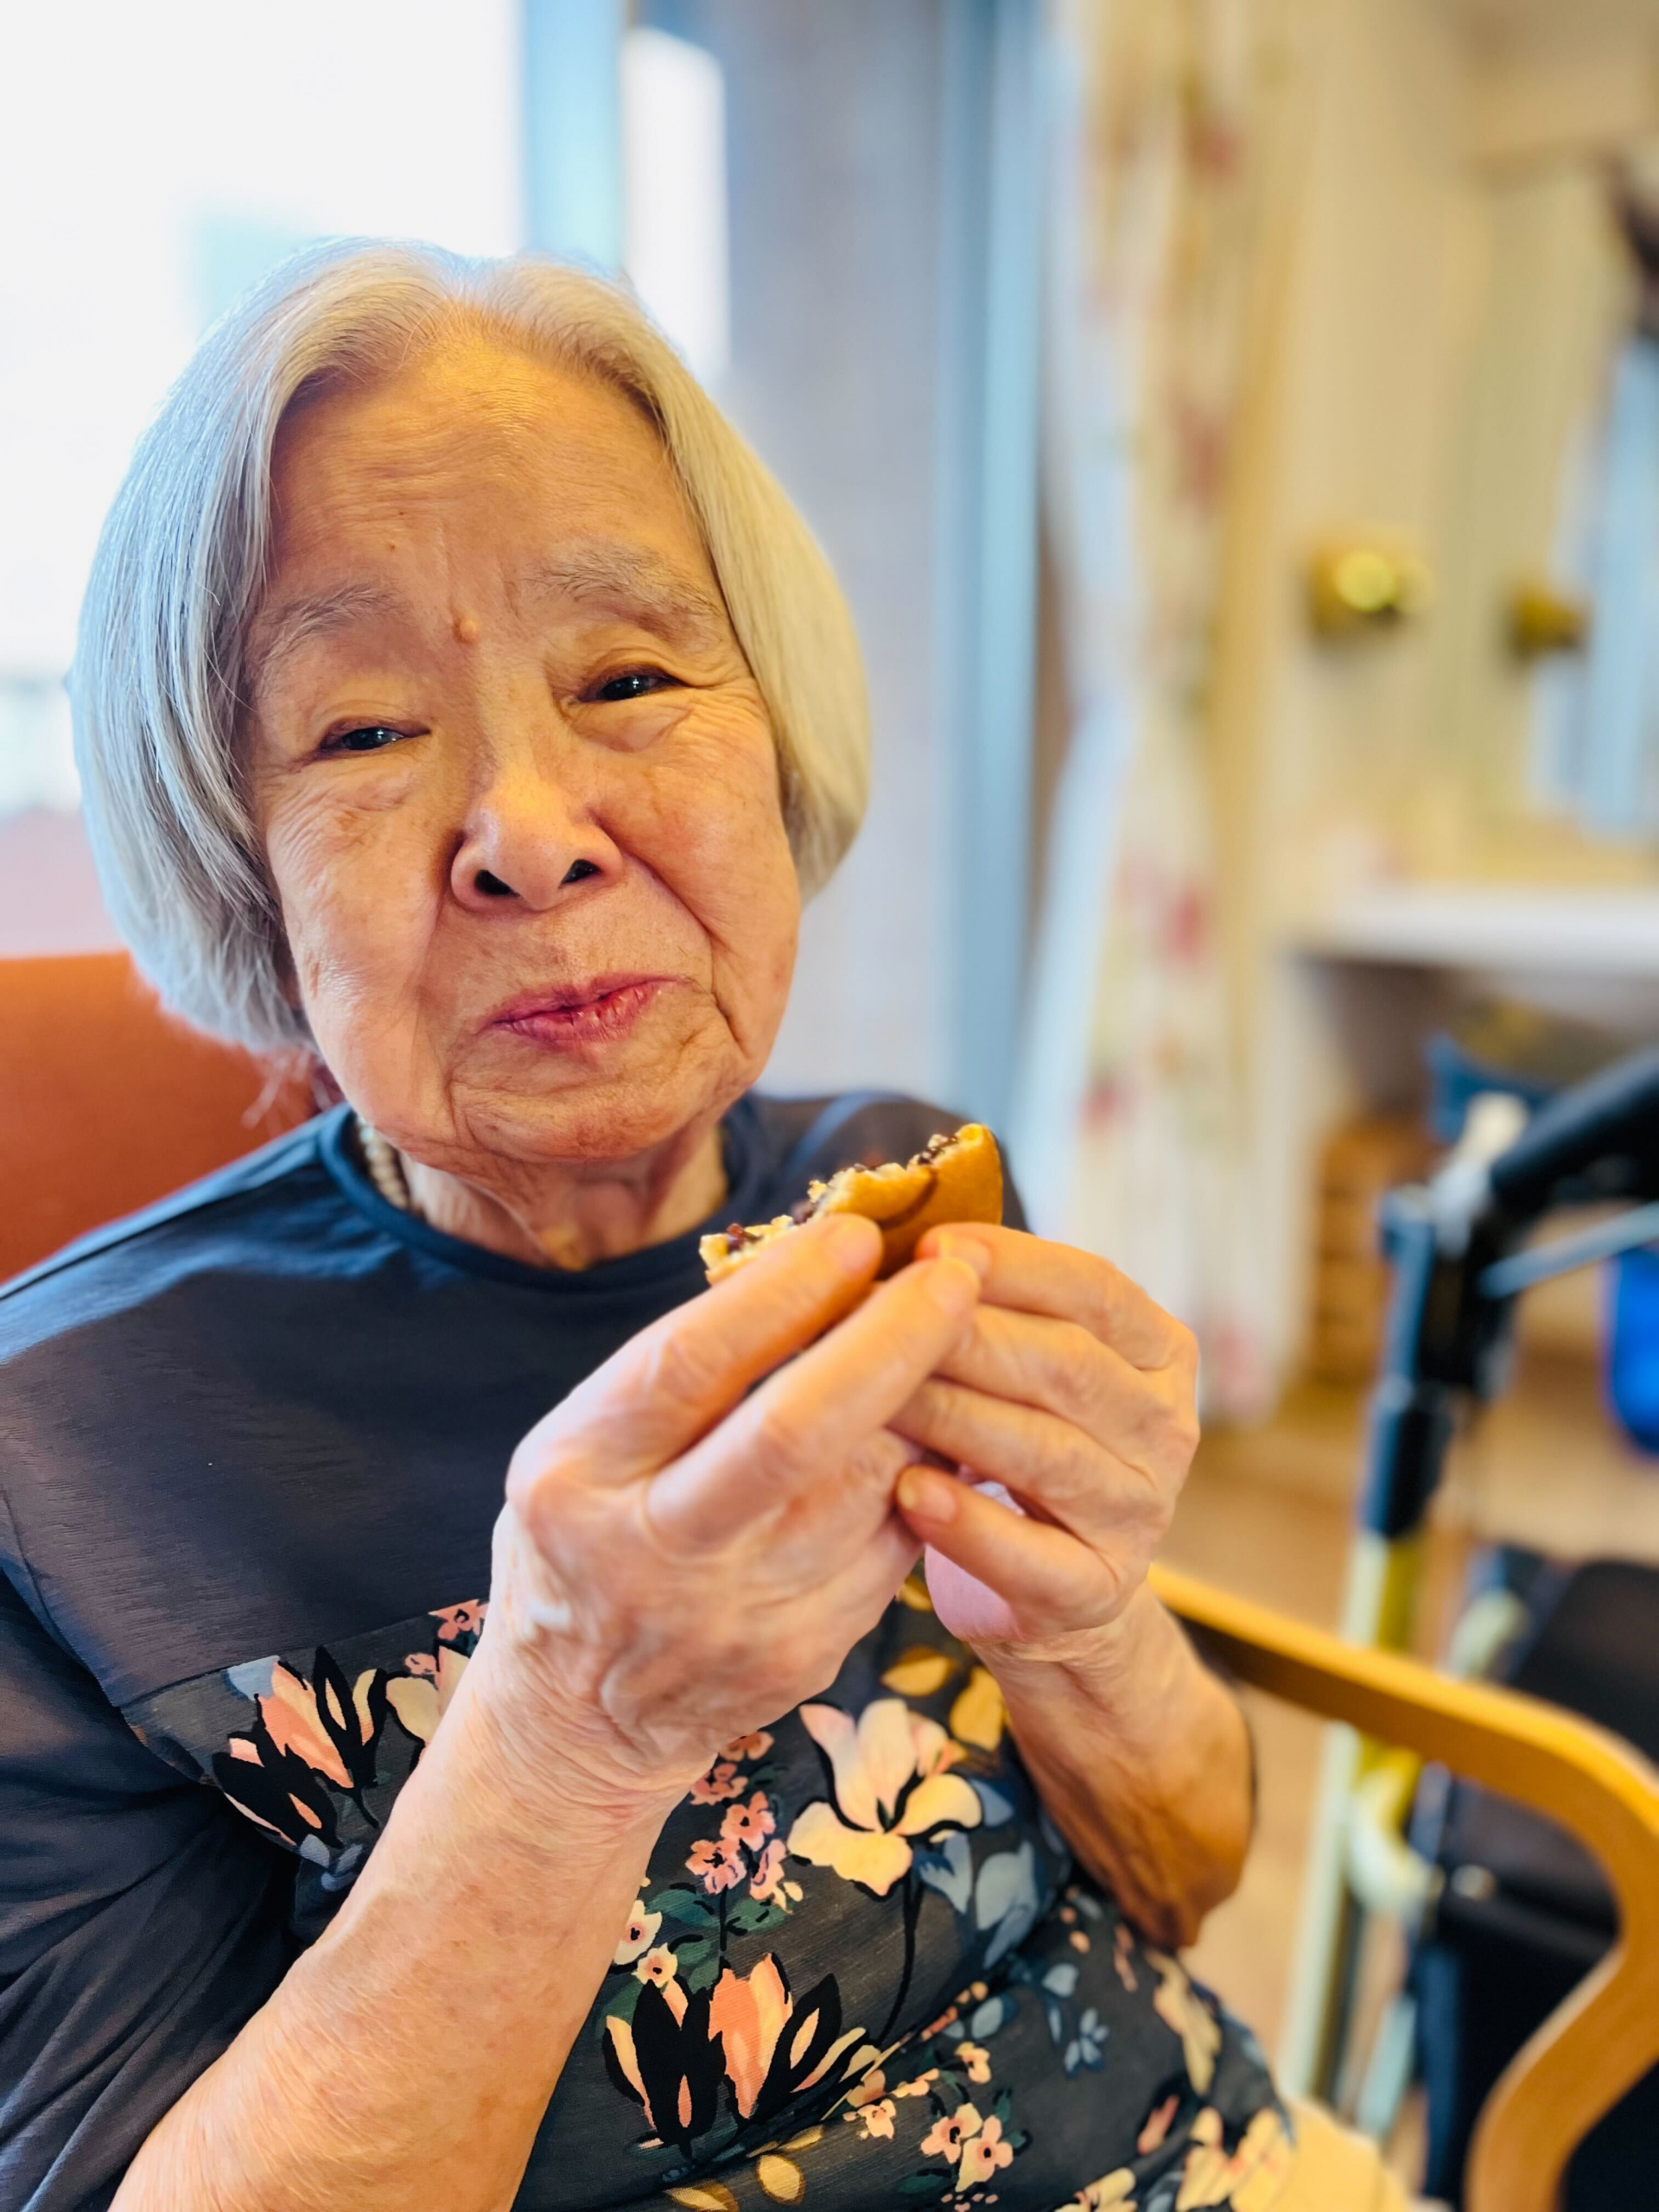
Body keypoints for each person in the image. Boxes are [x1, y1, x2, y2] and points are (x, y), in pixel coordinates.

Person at [0, 244, 1400, 2212]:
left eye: (631, 678)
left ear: (777, 735)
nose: (531, 829)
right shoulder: (58, 1462)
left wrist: (1085, 1619)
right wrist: (567, 1722)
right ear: (241, 865)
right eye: (364, 731)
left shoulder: (906, 1188)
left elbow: (1185, 1875)